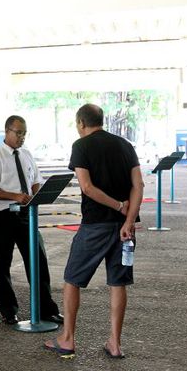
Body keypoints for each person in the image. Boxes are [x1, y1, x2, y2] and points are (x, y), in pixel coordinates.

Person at [44, 104, 143, 359]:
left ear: (80, 123)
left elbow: (87, 188)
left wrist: (119, 206)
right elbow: (138, 184)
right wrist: (128, 219)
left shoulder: (81, 146)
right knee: (118, 283)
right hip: (125, 230)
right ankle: (115, 343)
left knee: (72, 280)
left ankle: (67, 339)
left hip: (95, 225)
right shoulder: (125, 145)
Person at [0, 115, 62, 325]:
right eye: (18, 133)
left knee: (38, 261)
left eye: (24, 133)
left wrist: (37, 194)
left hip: (27, 214)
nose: (22, 137)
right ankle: (9, 311)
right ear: (7, 131)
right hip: (3, 216)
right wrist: (14, 195)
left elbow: (35, 181)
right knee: (2, 264)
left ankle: (46, 309)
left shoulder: (26, 155)